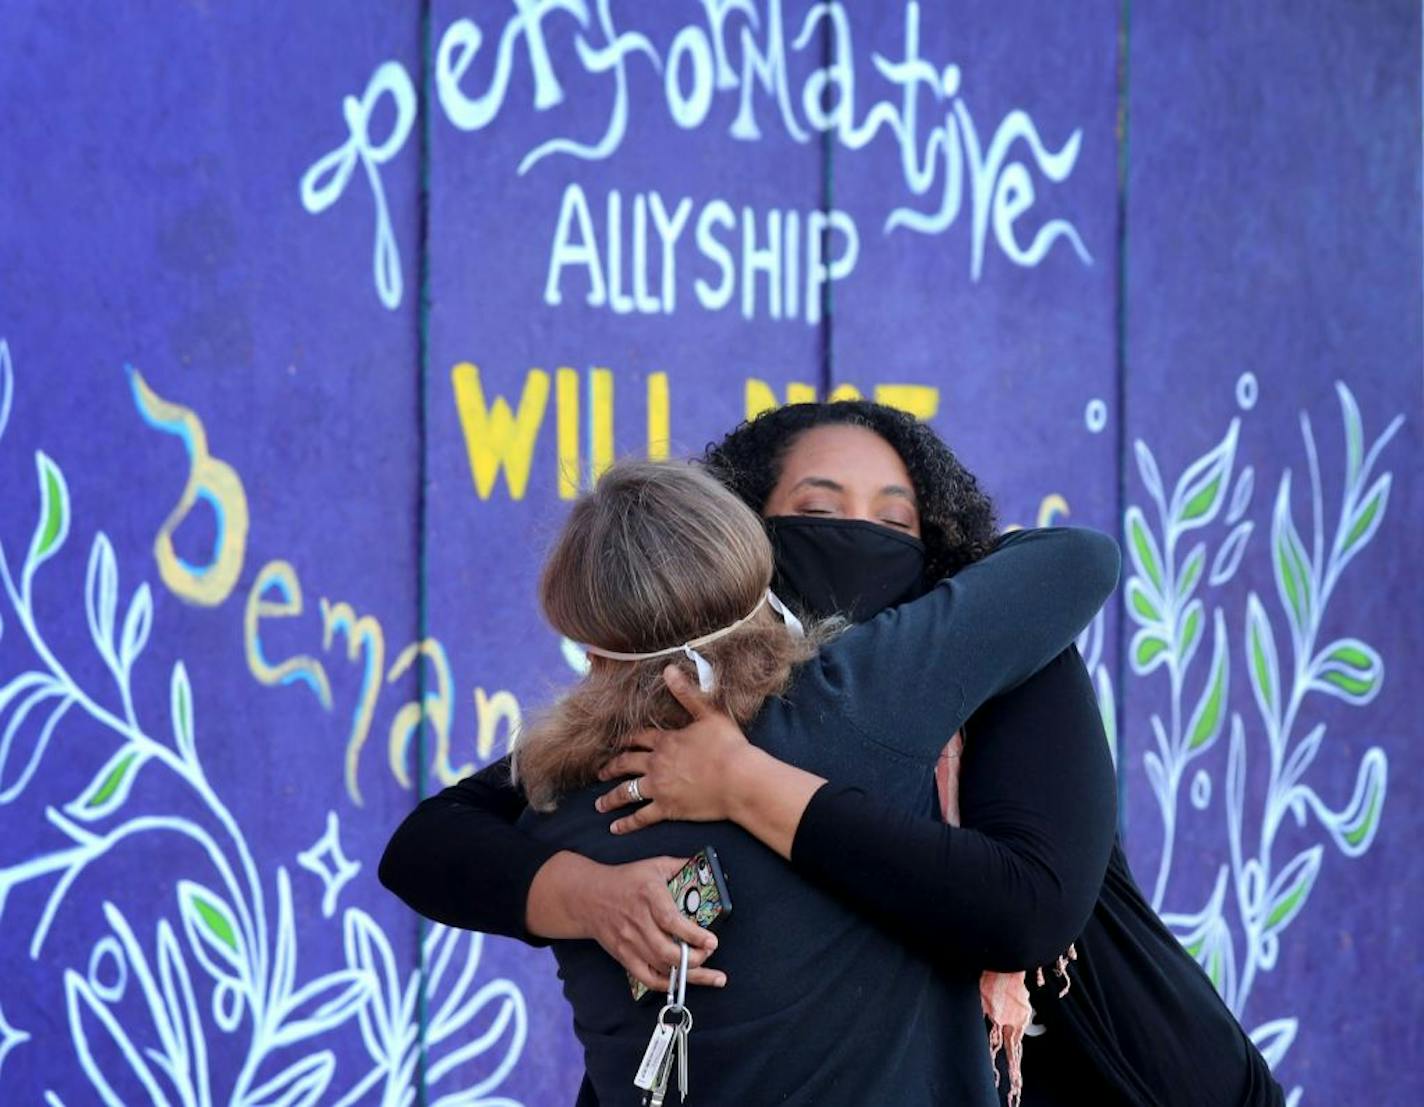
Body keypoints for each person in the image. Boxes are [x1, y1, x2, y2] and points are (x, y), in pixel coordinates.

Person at [382, 402, 1278, 1104]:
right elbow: (432, 842)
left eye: (899, 519)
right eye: (820, 510)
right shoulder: (673, 736)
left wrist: (745, 784)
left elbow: (1028, 907)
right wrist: (590, 895)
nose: (863, 535)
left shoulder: (956, 672)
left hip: (1134, 1080)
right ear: (743, 542)